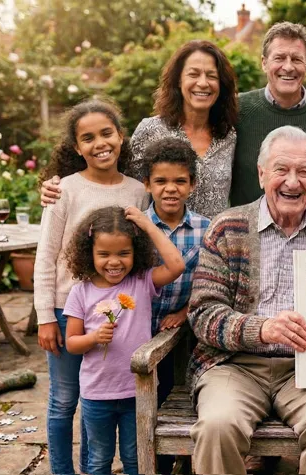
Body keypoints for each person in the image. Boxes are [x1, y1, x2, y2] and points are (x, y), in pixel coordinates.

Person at [186, 126, 306, 475]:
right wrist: (263, 329)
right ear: (262, 174)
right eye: (281, 169)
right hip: (235, 365)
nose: (292, 182)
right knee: (217, 424)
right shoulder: (228, 227)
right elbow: (203, 314)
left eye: (304, 171)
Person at [34, 99, 149, 475]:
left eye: (106, 133)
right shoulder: (63, 190)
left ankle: (91, 467)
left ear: (120, 136)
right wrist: (44, 317)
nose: (99, 143)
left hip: (121, 317)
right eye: (88, 137)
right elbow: (46, 256)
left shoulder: (137, 192)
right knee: (65, 400)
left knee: (97, 395)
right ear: (76, 147)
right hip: (68, 311)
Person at [41, 40, 239, 219]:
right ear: (178, 81)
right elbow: (114, 177)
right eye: (193, 74)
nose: (203, 83)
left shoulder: (228, 136)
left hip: (215, 252)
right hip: (156, 250)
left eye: (211, 76)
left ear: (221, 84)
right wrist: (60, 185)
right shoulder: (151, 130)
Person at [64, 206, 185, 475]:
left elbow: (177, 265)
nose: (114, 262)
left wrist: (148, 225)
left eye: (124, 253)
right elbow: (71, 343)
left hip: (138, 393)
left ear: (136, 252)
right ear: (89, 253)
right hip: (97, 393)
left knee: (136, 459)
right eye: (103, 254)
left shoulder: (141, 282)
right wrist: (94, 338)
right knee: (98, 460)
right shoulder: (80, 292)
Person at [230, 22, 306, 208]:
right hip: (244, 232)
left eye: (296, 59)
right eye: (279, 58)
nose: (288, 67)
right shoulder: (236, 110)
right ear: (264, 63)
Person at [141, 137, 211, 406]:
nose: (170, 189)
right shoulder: (137, 226)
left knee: (172, 388)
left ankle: (171, 449)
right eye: (161, 182)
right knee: (139, 394)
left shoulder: (206, 229)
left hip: (182, 331)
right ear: (148, 184)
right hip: (139, 327)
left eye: (180, 181)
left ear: (192, 185)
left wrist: (184, 313)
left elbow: (208, 283)